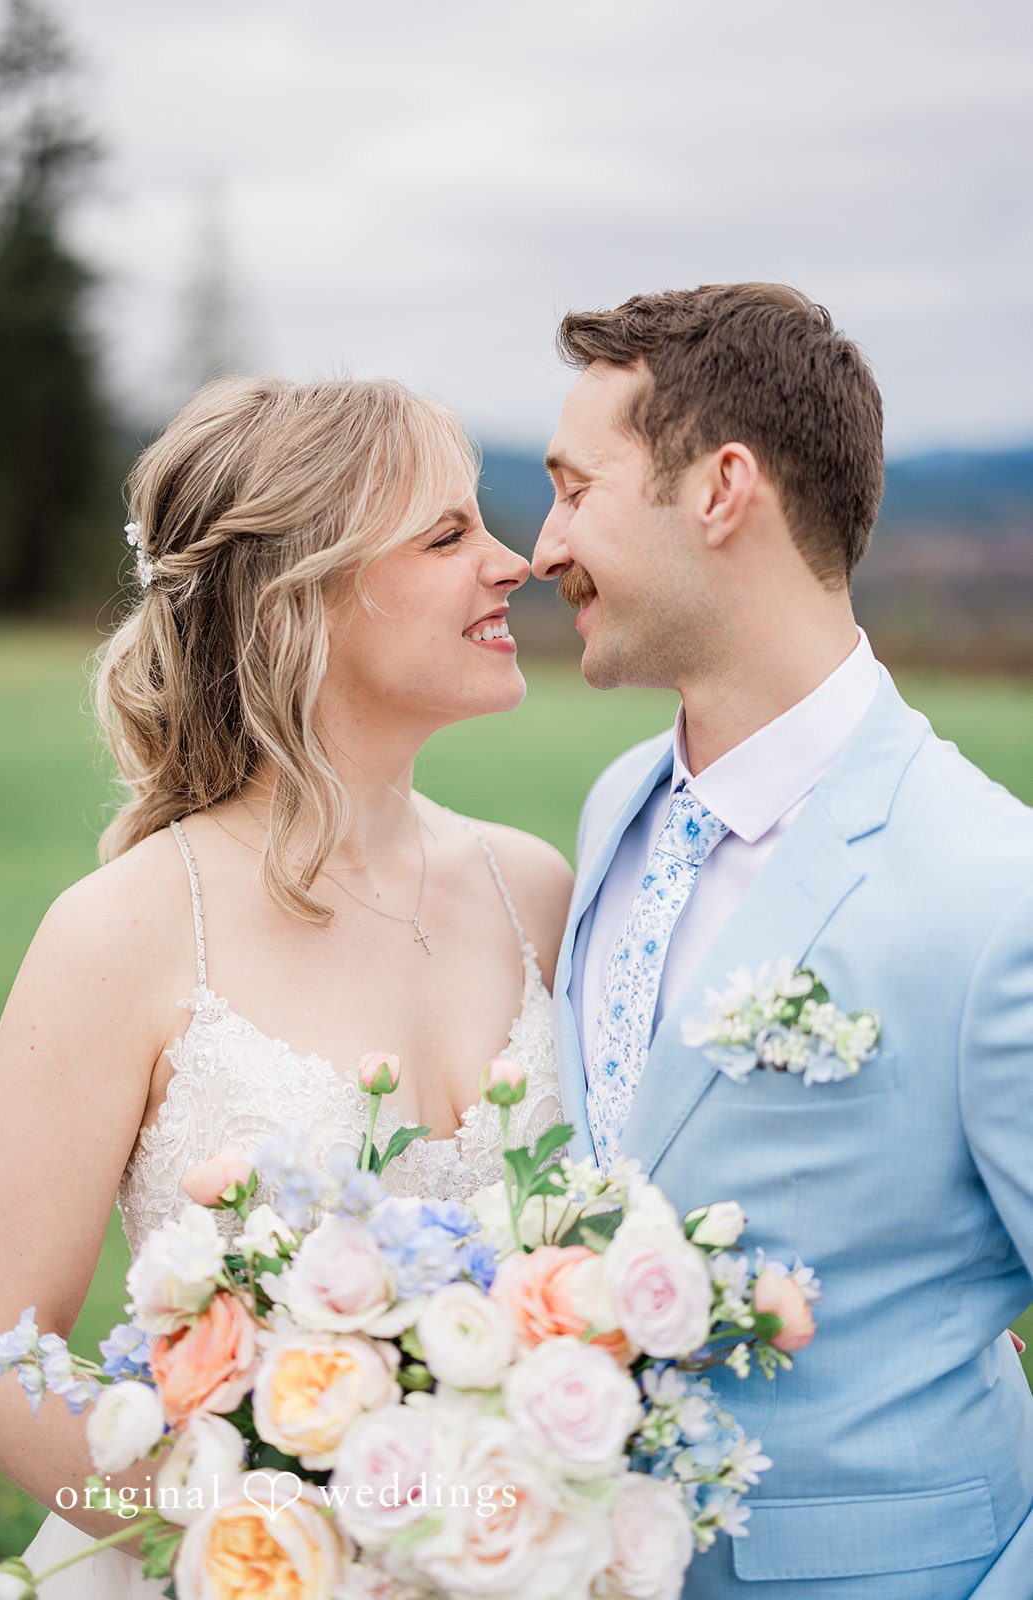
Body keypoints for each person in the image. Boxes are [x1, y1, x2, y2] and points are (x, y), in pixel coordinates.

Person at [0, 375, 571, 1595]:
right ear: (304, 595)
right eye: (448, 534)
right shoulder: (125, 931)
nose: (513, 562)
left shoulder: (534, 889)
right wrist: (245, 1549)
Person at [533, 283, 1033, 1599]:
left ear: (718, 489)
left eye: (573, 489)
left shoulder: (996, 894)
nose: (540, 545)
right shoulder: (616, 811)